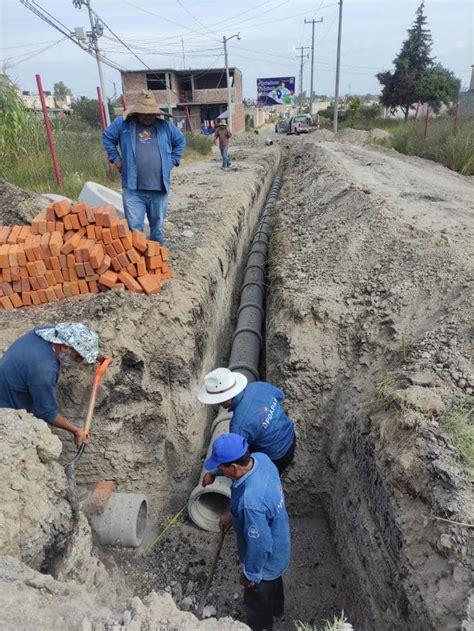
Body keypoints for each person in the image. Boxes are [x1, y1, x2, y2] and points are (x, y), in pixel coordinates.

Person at [204, 433, 290, 631]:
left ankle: (262, 626)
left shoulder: (251, 503)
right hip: (280, 546)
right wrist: (233, 514)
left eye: (222, 468)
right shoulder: (261, 460)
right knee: (276, 584)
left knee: (257, 601)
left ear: (233, 468)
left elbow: (260, 545)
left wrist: (250, 575)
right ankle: (278, 610)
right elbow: (236, 476)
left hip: (265, 563)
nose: (221, 471)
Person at [102, 90, 186, 245]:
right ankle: (139, 267)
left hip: (159, 189)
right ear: (137, 112)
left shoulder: (165, 127)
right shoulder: (123, 124)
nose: (148, 116)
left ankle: (158, 265)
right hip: (133, 190)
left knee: (158, 229)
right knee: (135, 230)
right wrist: (116, 159)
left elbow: (180, 141)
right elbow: (107, 137)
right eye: (145, 113)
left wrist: (172, 161)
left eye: (151, 113)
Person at [0, 323, 103, 447]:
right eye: (79, 356)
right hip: (7, 412)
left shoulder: (48, 332)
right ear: (65, 348)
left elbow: (75, 338)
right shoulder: (44, 370)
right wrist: (76, 431)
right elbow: (46, 413)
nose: (80, 362)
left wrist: (92, 353)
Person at [198, 368, 296, 481]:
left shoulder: (239, 425)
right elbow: (280, 395)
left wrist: (213, 473)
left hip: (277, 457)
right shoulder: (258, 386)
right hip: (291, 437)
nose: (218, 404)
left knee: (259, 479)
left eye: (217, 400)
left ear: (226, 398)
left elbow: (237, 461)